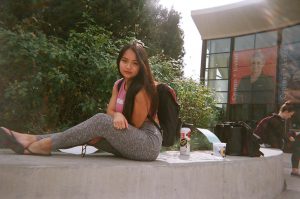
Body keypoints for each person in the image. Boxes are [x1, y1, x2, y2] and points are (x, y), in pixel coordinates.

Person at [0, 41, 162, 161]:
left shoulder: (142, 90)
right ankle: (31, 139)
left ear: (142, 66)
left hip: (146, 144)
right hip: (128, 140)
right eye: (124, 60)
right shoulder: (118, 85)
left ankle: (44, 145)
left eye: (134, 63)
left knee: (99, 121)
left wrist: (114, 119)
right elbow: (111, 112)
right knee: (87, 133)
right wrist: (117, 116)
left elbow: (134, 126)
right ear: (119, 60)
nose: (128, 66)